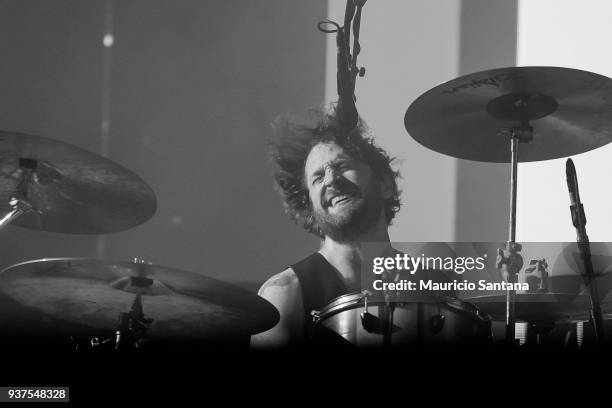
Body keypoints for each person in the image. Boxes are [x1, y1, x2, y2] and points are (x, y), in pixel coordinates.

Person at [250, 108, 402, 348]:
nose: (331, 180)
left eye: (342, 165)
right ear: (310, 207)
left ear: (384, 185)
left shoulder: (434, 285)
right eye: (318, 177)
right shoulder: (286, 294)